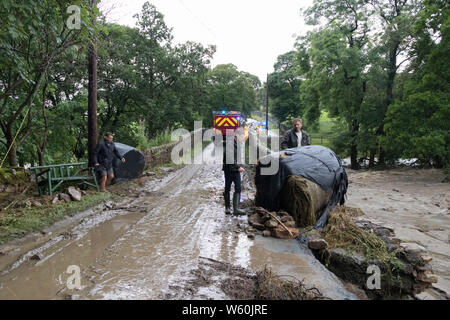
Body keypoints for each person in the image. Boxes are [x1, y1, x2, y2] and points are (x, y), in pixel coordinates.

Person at [222, 129, 245, 216]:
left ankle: (236, 208)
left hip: (235, 170)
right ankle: (227, 208)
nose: (242, 138)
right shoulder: (230, 144)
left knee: (238, 188)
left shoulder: (237, 144)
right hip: (229, 170)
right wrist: (238, 167)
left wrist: (240, 165)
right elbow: (230, 158)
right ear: (237, 136)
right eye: (242, 136)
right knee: (227, 187)